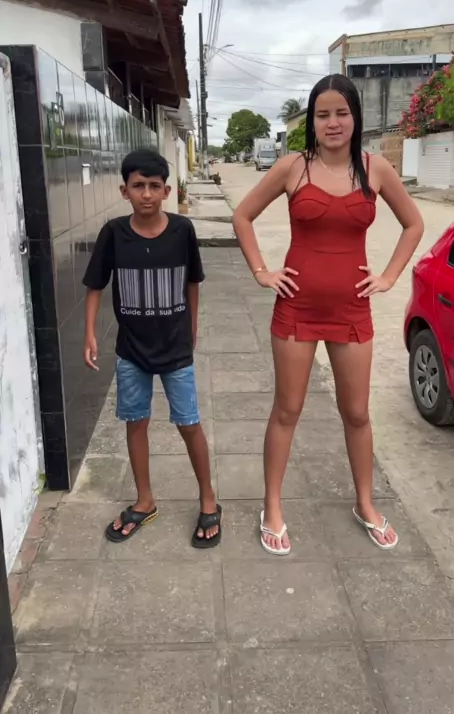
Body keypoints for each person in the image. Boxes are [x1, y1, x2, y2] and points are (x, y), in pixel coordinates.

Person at [232, 75, 424, 556]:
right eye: (322, 114)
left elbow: (414, 224)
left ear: (355, 117)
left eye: (341, 113)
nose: (332, 122)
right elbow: (243, 215)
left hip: (352, 310)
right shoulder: (292, 167)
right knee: (287, 410)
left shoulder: (376, 169)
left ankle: (366, 503)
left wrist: (389, 277)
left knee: (357, 413)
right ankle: (272, 506)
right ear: (312, 122)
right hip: (296, 309)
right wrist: (261, 271)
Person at [82, 149, 221, 548]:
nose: (146, 194)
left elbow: (192, 281)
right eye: (138, 186)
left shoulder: (182, 230)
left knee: (189, 423)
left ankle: (208, 498)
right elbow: (95, 285)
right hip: (131, 351)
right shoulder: (113, 233)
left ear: (167, 191)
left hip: (175, 349)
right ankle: (144, 500)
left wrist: (192, 327)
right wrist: (89, 333)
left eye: (154, 186)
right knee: (136, 422)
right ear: (124, 190)